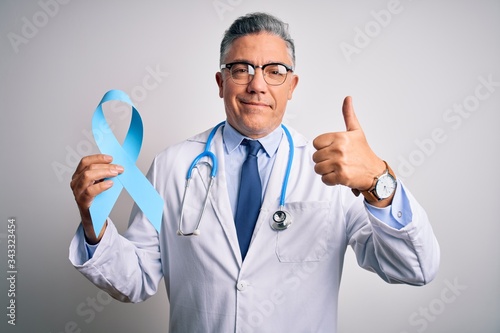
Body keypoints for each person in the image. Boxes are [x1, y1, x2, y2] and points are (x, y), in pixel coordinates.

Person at [69, 12, 439, 332]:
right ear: (221, 83)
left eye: (274, 71)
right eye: (241, 69)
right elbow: (136, 280)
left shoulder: (335, 172)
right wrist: (94, 222)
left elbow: (414, 268)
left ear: (291, 86)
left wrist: (378, 181)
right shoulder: (171, 165)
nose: (257, 84)